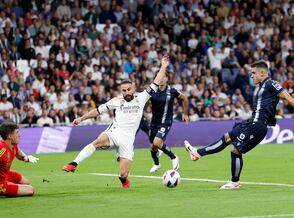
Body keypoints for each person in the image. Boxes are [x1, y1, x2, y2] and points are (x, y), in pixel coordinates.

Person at [184, 61, 294, 189]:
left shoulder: (271, 83)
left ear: (262, 73)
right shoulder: (261, 87)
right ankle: (197, 153)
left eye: (253, 73)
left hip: (257, 125)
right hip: (251, 122)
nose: (251, 76)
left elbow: (287, 97)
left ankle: (235, 182)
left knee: (235, 150)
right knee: (227, 138)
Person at [62, 55, 170, 189]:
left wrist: (163, 66)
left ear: (133, 88)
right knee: (97, 141)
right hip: (115, 133)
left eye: (128, 89)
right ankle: (74, 163)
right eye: (123, 91)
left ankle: (123, 179)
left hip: (128, 140)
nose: (126, 92)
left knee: (123, 174)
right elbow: (97, 110)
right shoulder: (116, 101)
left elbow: (156, 81)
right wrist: (81, 118)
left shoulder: (142, 97)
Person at [148, 71, 189, 173]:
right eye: (159, 77)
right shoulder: (152, 91)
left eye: (163, 77)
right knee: (153, 147)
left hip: (166, 121)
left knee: (157, 142)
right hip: (154, 123)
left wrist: (185, 113)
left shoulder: (172, 91)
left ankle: (174, 157)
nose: (161, 79)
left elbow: (184, 99)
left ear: (167, 78)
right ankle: (156, 164)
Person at [0, 123, 39, 197]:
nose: (19, 135)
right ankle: (4, 188)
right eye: (17, 133)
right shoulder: (2, 149)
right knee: (30, 190)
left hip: (5, 174)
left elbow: (19, 154)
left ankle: (8, 186)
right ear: (9, 136)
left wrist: (27, 158)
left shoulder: (13, 145)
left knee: (26, 182)